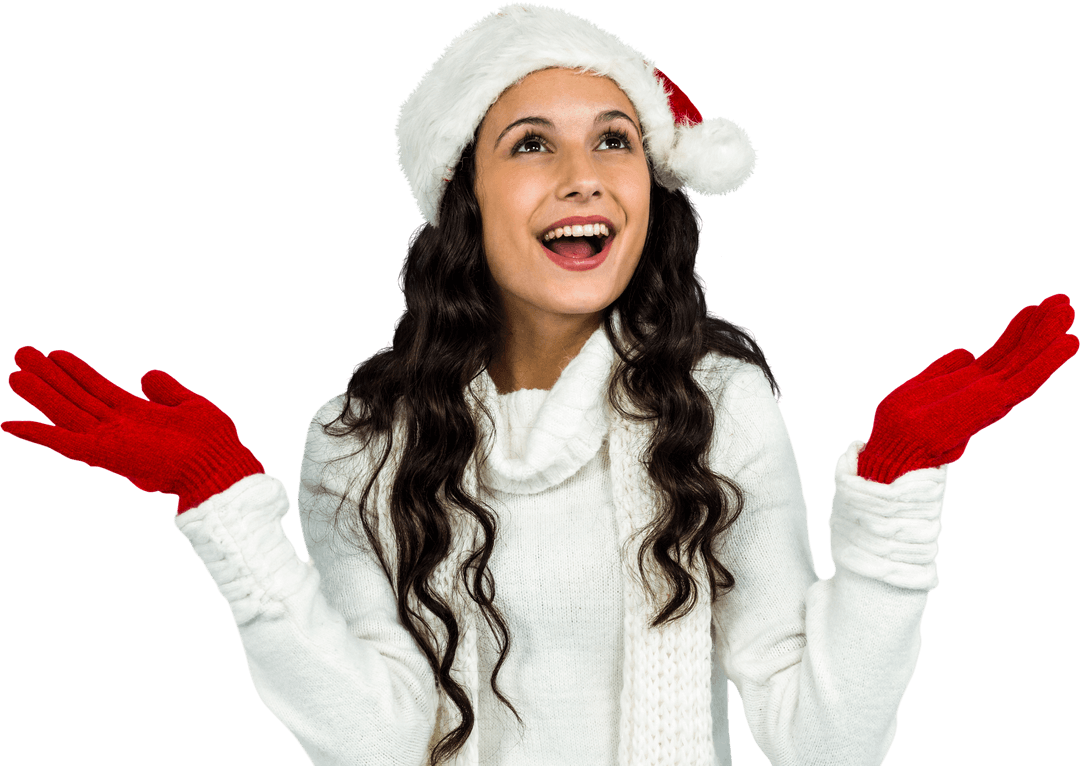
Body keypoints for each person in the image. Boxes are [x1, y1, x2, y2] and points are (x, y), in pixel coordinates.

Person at [3, 4, 1076, 766]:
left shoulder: (717, 403)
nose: (585, 175)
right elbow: (374, 743)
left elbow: (824, 743)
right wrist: (222, 504)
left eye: (615, 140)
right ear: (463, 194)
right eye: (532, 144)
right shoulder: (359, 436)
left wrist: (898, 490)